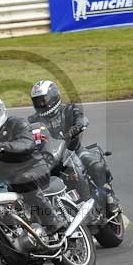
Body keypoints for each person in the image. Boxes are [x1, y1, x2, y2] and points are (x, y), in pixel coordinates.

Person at [0, 95, 65, 235]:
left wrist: (6, 146)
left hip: (34, 168)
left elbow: (27, 144)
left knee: (23, 179)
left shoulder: (16, 123)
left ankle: (53, 220)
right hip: (8, 177)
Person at [28, 80, 120, 218]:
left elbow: (81, 118)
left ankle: (108, 194)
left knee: (94, 164)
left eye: (43, 100)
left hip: (74, 150)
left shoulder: (69, 109)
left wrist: (76, 127)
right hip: (50, 158)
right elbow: (26, 134)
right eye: (37, 101)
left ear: (54, 96)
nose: (41, 104)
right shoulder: (33, 120)